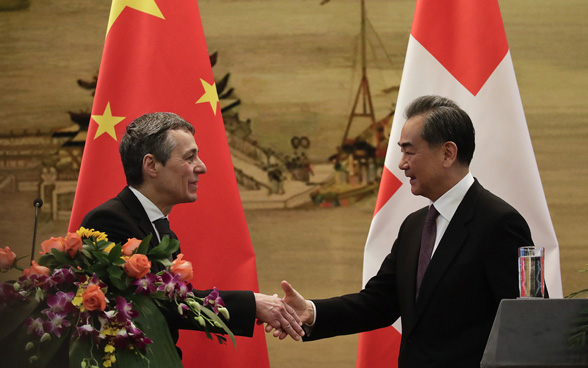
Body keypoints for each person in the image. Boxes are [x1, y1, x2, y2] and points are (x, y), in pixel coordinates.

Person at [271, 95, 542, 367]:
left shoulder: (500, 223)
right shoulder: (414, 225)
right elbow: (379, 303)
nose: (401, 164)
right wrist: (309, 310)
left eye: (409, 152)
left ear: (448, 153)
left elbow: (531, 325)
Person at [81, 112, 304, 358]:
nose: (202, 167)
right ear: (152, 165)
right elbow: (155, 303)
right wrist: (252, 305)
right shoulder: (108, 221)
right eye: (190, 157)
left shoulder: (159, 227)